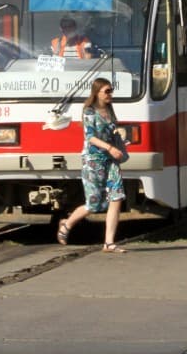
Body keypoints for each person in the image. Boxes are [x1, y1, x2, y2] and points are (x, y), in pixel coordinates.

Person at [56, 78, 127, 253]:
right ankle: (67, 224)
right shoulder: (89, 111)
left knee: (117, 197)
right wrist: (110, 147)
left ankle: (109, 243)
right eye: (107, 91)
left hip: (111, 160)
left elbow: (112, 130)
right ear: (97, 93)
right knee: (94, 204)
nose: (110, 94)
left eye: (111, 90)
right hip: (93, 160)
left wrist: (120, 137)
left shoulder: (109, 109)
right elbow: (90, 137)